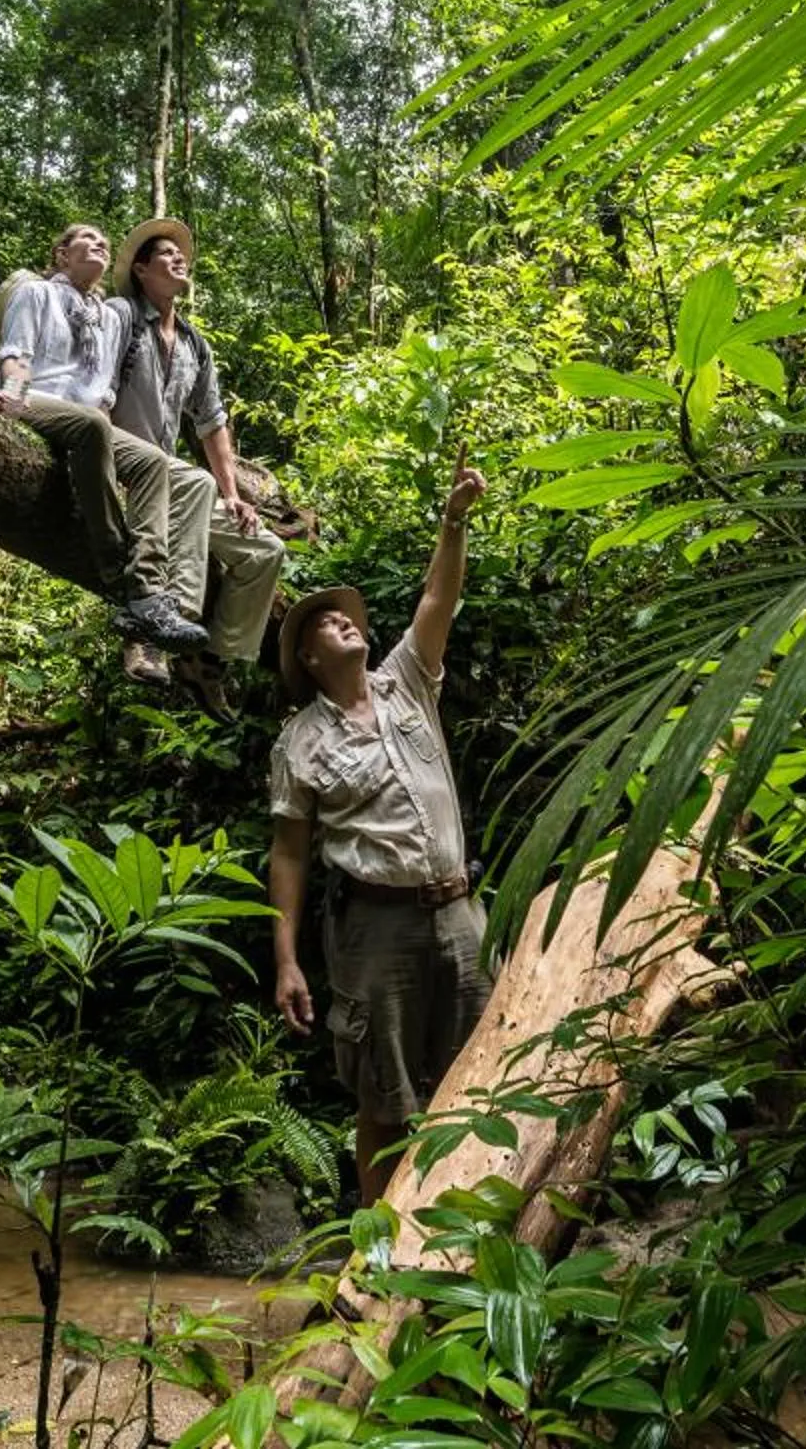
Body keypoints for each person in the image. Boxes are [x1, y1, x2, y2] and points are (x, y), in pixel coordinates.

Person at [266, 457, 488, 1205]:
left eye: (347, 615)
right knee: (385, 1100)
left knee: (478, 1081)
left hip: (458, 914)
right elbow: (290, 853)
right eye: (327, 623)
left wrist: (453, 518)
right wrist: (287, 960)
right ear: (308, 657)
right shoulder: (300, 740)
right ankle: (377, 1259)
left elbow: (438, 597)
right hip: (375, 928)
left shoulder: (407, 683)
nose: (345, 621)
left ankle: (472, 1241)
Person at [0, 222, 209, 664]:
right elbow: (15, 352)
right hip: (31, 399)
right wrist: (11, 388)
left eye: (105, 242)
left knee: (153, 462)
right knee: (91, 425)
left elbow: (102, 392)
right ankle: (116, 573)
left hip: (85, 419)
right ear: (62, 254)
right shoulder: (37, 293)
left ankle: (146, 591)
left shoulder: (106, 316)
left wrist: (113, 462)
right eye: (88, 239)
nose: (100, 244)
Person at [100, 218, 284, 695]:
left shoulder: (193, 344)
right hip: (126, 469)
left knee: (265, 550)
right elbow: (96, 390)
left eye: (181, 254)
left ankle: (208, 663)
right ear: (141, 271)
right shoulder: (120, 316)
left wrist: (234, 495)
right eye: (165, 253)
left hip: (172, 478)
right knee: (193, 483)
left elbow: (212, 424)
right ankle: (158, 632)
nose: (179, 258)